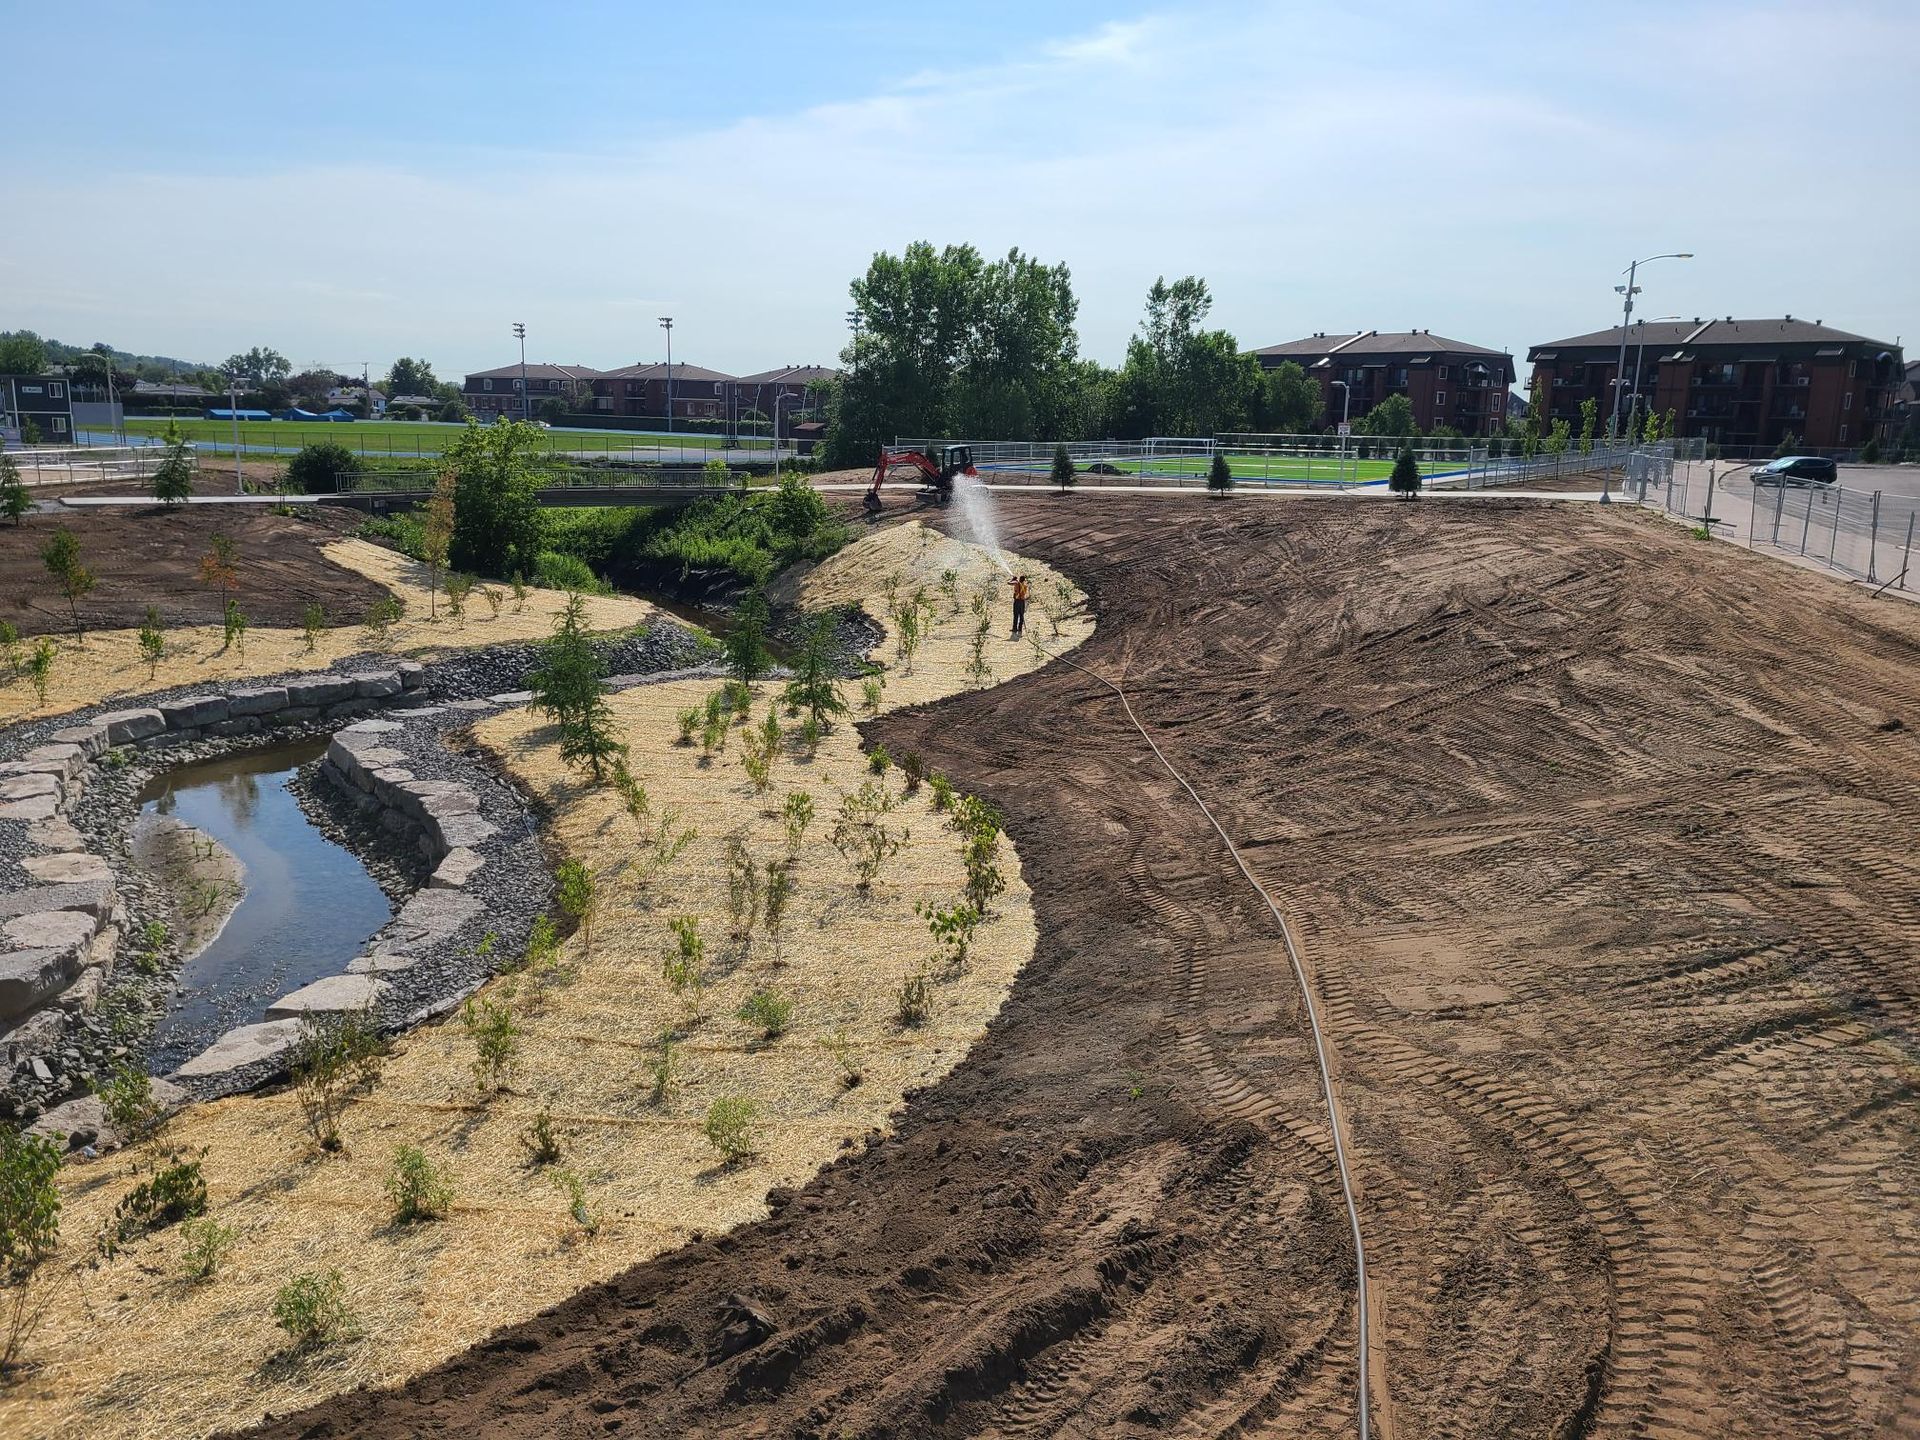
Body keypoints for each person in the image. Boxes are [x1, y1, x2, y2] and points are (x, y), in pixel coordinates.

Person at [1009, 574, 1030, 638]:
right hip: (1022, 602)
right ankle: (1020, 629)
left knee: (1016, 615)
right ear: (1024, 580)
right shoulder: (1025, 585)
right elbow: (1027, 596)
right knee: (1021, 615)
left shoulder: (1016, 583)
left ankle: (1015, 629)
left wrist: (1013, 579)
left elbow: (1009, 583)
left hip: (1017, 601)